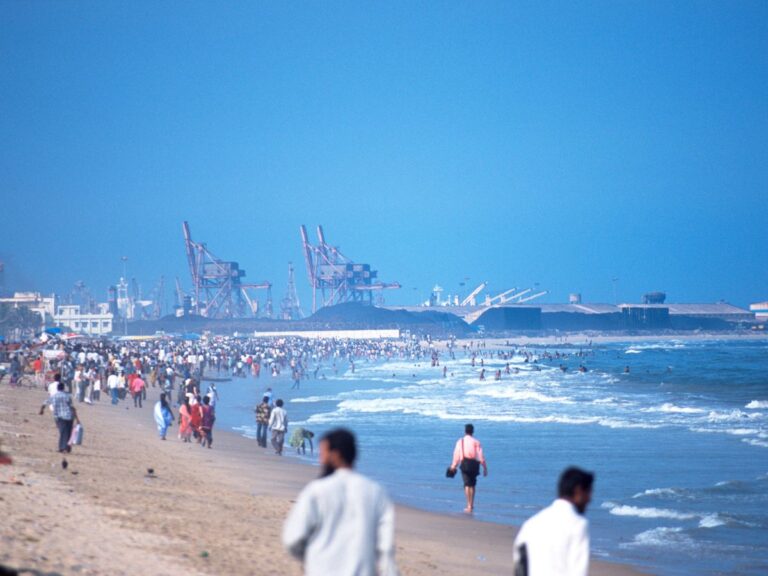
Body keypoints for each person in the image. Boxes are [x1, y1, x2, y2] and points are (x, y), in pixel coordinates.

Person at [282, 428, 399, 576]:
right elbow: (386, 548)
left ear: (335, 455)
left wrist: (313, 557)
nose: (321, 460)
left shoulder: (316, 490)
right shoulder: (376, 492)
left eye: (323, 454)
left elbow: (292, 539)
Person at [512, 467, 594, 576]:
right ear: (578, 491)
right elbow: (579, 571)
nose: (589, 499)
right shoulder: (578, 524)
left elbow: (519, 566)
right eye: (588, 492)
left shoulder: (531, 524)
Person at [447, 423, 488, 513]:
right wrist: (485, 468)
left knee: (466, 484)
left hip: (464, 464)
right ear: (473, 431)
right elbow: (481, 456)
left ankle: (468, 504)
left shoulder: (460, 441)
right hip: (474, 465)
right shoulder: (476, 442)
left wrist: (453, 466)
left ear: (465, 431)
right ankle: (471, 505)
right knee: (472, 484)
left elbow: (456, 455)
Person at [39, 381, 79, 453]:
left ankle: (62, 448)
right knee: (68, 432)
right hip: (69, 416)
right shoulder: (67, 396)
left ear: (57, 388)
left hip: (59, 417)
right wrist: (77, 418)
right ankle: (67, 447)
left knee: (63, 431)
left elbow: (45, 403)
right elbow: (72, 407)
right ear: (63, 388)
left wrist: (41, 410)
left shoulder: (54, 396)